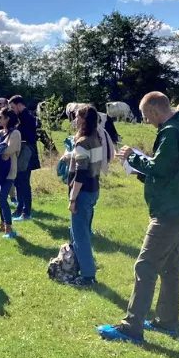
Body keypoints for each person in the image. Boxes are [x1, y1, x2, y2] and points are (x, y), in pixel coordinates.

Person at [98, 92, 179, 343]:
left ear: (154, 111)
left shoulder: (170, 132)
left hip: (168, 211)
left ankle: (131, 326)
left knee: (145, 265)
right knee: (169, 267)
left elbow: (159, 168)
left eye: (145, 116)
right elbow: (167, 171)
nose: (146, 121)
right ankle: (166, 322)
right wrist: (141, 172)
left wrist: (132, 156)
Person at [66, 105, 103, 286]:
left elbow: (80, 173)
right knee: (80, 233)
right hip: (94, 188)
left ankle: (88, 276)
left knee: (80, 235)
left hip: (83, 191)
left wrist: (73, 198)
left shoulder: (82, 143)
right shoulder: (96, 138)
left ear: (83, 120)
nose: (74, 120)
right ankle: (77, 267)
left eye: (77, 117)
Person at [0, 107, 21, 239]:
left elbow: (10, 150)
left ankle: (9, 229)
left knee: (2, 199)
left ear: (7, 119)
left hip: (9, 171)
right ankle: (2, 225)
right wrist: (0, 152)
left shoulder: (15, 134)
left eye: (0, 117)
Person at [9, 95, 40, 221]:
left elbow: (27, 136)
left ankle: (26, 212)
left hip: (27, 154)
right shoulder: (21, 117)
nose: (12, 110)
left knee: (24, 183)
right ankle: (20, 209)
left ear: (19, 104)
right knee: (19, 182)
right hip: (23, 153)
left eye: (12, 107)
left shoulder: (27, 117)